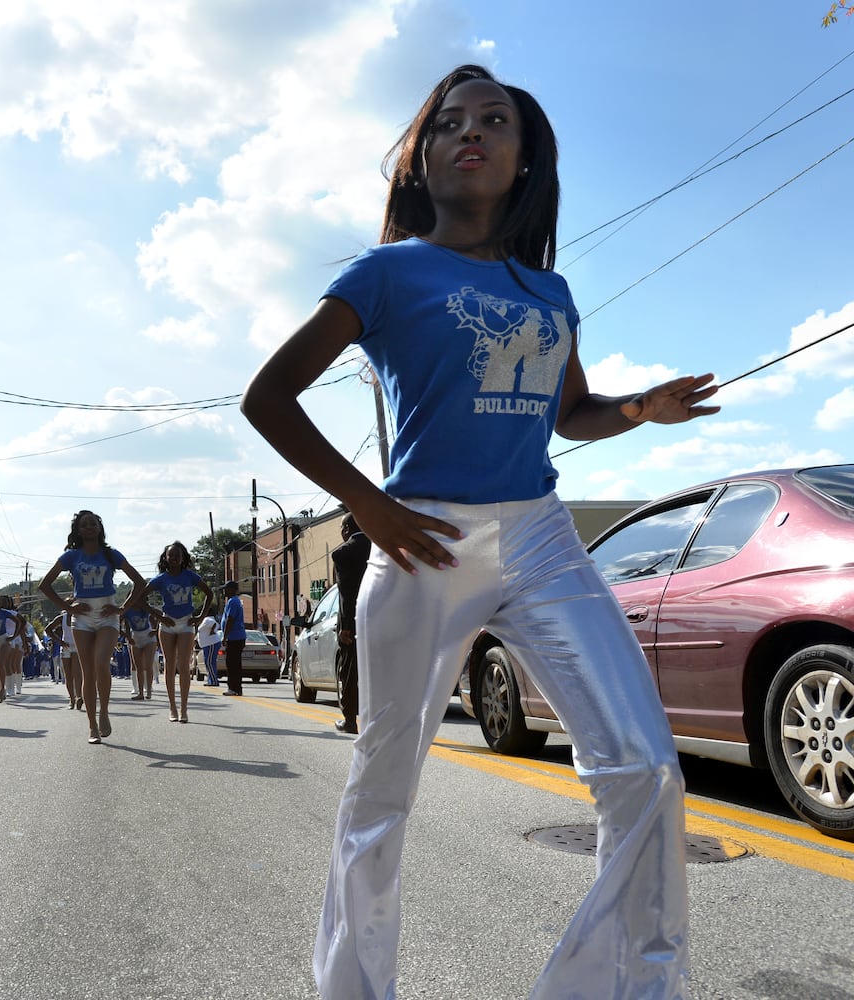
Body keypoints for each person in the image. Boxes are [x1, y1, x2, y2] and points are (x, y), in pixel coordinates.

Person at [240, 64, 717, 1000]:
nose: (471, 133)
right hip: (426, 539)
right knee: (382, 794)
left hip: (540, 534)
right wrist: (370, 508)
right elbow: (269, 397)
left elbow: (568, 410)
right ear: (422, 157)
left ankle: (615, 989)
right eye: (450, 122)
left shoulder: (549, 289)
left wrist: (637, 410)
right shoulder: (386, 273)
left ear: (523, 153)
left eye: (493, 120)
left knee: (645, 768)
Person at [38, 510, 147, 744]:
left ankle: (104, 712)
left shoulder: (111, 554)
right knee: (88, 671)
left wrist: (121, 609)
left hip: (108, 613)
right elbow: (44, 585)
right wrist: (69, 608)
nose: (89, 527)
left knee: (101, 663)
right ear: (78, 530)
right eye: (84, 524)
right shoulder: (71, 556)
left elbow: (140, 582)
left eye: (93, 523)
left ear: (100, 528)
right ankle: (91, 726)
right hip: (83, 617)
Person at [143, 541, 213, 723]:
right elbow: (140, 597)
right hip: (167, 623)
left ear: (182, 558)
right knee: (169, 664)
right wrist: (157, 615)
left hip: (186, 623)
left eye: (177, 556)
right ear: (165, 558)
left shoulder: (190, 576)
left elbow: (209, 593)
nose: (174, 558)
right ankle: (172, 707)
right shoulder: (161, 579)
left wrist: (199, 617)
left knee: (183, 665)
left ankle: (184, 708)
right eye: (170, 556)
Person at [329, 512, 371, 735]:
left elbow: (346, 593)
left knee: (349, 672)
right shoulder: (379, 547)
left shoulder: (343, 553)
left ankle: (350, 721)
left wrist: (345, 626)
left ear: (346, 529)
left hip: (354, 623)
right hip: (380, 619)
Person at [120, 603, 158, 700]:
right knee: (138, 667)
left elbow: (160, 615)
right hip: (135, 637)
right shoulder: (127, 611)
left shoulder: (146, 607)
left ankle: (148, 691)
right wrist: (127, 637)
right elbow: (117, 624)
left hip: (148, 637)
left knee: (148, 665)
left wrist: (156, 630)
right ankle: (140, 693)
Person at [219, 580, 247, 696]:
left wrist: (224, 637)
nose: (224, 591)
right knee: (235, 663)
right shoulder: (235, 601)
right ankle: (236, 688)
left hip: (234, 637)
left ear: (232, 590)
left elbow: (230, 619)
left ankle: (233, 688)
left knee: (232, 664)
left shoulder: (233, 602)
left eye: (226, 589)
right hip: (237, 637)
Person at [195, 611, 222, 687]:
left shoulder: (207, 619)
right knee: (208, 662)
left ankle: (214, 681)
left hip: (211, 643)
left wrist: (212, 631)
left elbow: (215, 624)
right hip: (207, 644)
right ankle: (211, 680)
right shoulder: (204, 622)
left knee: (210, 662)